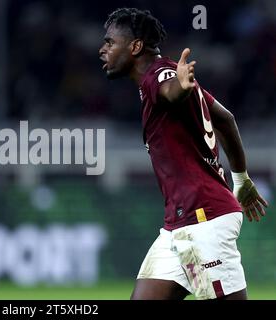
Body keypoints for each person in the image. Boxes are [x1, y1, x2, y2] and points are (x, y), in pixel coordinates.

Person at [99, 8, 269, 300]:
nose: (103, 50)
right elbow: (226, 119)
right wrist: (240, 180)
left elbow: (170, 91)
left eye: (110, 42)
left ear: (136, 46)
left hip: (203, 221)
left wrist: (179, 87)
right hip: (179, 226)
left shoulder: (158, 75)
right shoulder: (159, 76)